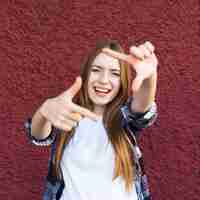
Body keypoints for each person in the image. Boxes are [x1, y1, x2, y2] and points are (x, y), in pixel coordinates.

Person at [24, 39, 158, 200]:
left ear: (122, 80)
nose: (103, 80)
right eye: (96, 70)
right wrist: (44, 111)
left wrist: (150, 78)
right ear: (86, 74)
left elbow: (143, 108)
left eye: (114, 73)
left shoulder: (124, 118)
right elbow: (38, 136)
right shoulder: (68, 114)